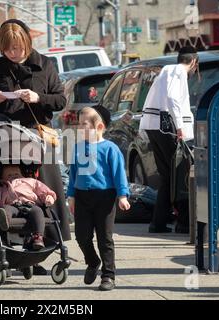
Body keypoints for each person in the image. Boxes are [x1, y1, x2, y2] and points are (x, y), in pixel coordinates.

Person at [0, 19, 70, 274]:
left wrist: (39, 98)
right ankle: (8, 246)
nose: (14, 54)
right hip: (2, 140)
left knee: (41, 192)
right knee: (4, 193)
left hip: (35, 136)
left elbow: (60, 100)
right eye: (9, 49)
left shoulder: (44, 64)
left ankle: (39, 250)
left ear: (28, 42)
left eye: (19, 48)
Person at [67, 105, 131, 291]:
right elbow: (73, 173)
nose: (80, 128)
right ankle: (93, 261)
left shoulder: (110, 149)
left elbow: (119, 173)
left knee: (105, 238)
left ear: (99, 127)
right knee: (81, 236)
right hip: (82, 197)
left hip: (105, 197)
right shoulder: (78, 148)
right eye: (78, 124)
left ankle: (108, 276)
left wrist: (122, 195)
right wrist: (71, 195)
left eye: (84, 124)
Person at [139, 46, 198, 234]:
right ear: (194, 62)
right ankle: (182, 222)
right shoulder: (178, 71)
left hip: (155, 125)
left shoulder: (166, 71)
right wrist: (180, 127)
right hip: (167, 127)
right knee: (180, 175)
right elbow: (173, 98)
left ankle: (159, 222)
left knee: (168, 176)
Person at [0, 164, 56, 250]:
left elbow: (41, 189)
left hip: (30, 204)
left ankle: (38, 237)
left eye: (16, 174)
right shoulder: (1, 189)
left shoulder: (30, 181)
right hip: (11, 205)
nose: (13, 176)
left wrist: (48, 196)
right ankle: (4, 220)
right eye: (9, 175)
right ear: (3, 179)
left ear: (21, 174)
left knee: (38, 211)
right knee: (6, 209)